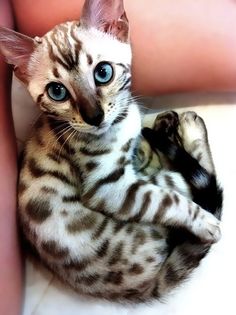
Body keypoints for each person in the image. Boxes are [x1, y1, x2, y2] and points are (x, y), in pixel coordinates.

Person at [0, 0, 236, 313]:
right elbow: (106, 194)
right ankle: (199, 166)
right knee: (173, 184)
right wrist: (190, 215)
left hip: (103, 251)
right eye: (58, 92)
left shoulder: (82, 125)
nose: (92, 111)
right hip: (135, 256)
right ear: (24, 72)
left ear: (117, 28)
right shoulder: (74, 137)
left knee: (137, 167)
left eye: (102, 72)